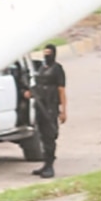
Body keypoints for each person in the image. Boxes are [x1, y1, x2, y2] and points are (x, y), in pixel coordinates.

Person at [31, 43, 67, 178]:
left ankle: (50, 166)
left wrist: (63, 110)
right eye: (45, 52)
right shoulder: (41, 68)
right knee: (42, 136)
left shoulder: (57, 69)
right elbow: (38, 85)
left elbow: (61, 90)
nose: (47, 55)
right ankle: (45, 164)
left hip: (51, 107)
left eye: (49, 53)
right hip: (40, 105)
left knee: (50, 136)